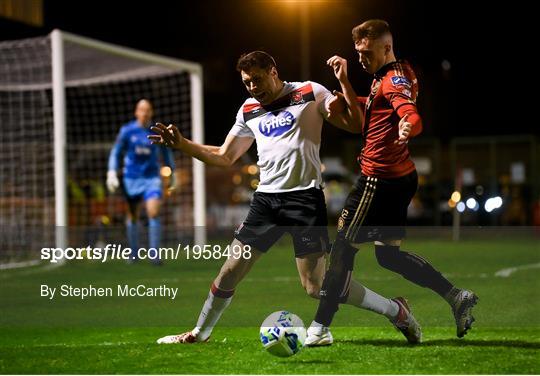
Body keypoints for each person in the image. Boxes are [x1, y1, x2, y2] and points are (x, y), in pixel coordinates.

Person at [149, 51, 421, 344]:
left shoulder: (309, 92)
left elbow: (355, 125)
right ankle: (199, 333)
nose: (253, 87)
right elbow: (225, 155)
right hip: (265, 202)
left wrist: (342, 85)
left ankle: (396, 310)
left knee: (316, 287)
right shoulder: (249, 109)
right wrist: (184, 145)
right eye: (246, 82)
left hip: (305, 201)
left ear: (273, 71)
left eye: (257, 79)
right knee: (230, 270)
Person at [306, 20, 478, 345]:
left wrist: (407, 126)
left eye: (366, 52)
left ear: (386, 46)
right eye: (357, 52)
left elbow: (409, 113)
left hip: (378, 179)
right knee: (389, 257)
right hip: (400, 177)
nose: (361, 58)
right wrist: (343, 87)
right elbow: (376, 108)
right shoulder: (393, 73)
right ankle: (456, 296)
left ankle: (320, 327)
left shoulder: (392, 80)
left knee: (342, 248)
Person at [106, 99, 176, 265]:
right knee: (133, 216)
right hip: (131, 178)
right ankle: (134, 254)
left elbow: (166, 154)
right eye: (141, 109)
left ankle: (155, 256)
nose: (144, 113)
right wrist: (111, 172)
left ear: (151, 113)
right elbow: (116, 152)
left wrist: (172, 172)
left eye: (147, 110)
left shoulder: (157, 131)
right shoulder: (127, 131)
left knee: (153, 212)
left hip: (151, 178)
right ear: (136, 112)